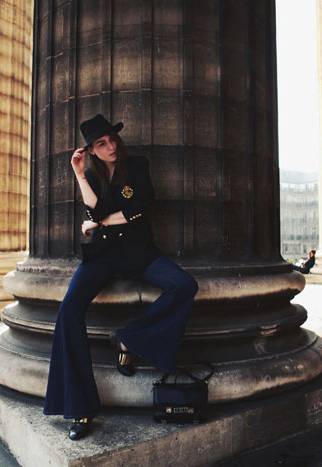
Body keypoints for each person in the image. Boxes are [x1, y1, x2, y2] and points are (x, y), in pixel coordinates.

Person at [43, 114, 199, 441]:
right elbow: (94, 212)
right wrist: (79, 175)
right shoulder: (92, 173)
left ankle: (130, 338)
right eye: (101, 143)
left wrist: (100, 222)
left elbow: (140, 208)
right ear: (92, 150)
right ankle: (80, 407)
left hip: (138, 251)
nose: (111, 146)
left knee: (184, 285)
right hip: (102, 254)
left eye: (112, 139)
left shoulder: (137, 165)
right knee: (69, 309)